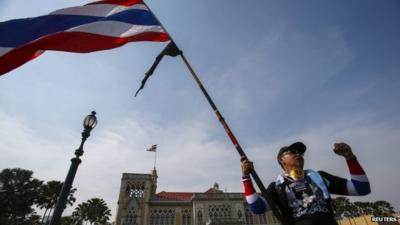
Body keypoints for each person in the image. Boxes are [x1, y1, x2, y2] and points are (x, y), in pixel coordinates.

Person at [241, 142, 370, 225]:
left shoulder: (320, 177)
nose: (298, 155)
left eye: (300, 153)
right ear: (282, 160)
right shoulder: (277, 187)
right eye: (292, 152)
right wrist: (246, 177)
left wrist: (350, 158)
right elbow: (256, 207)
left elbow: (361, 189)